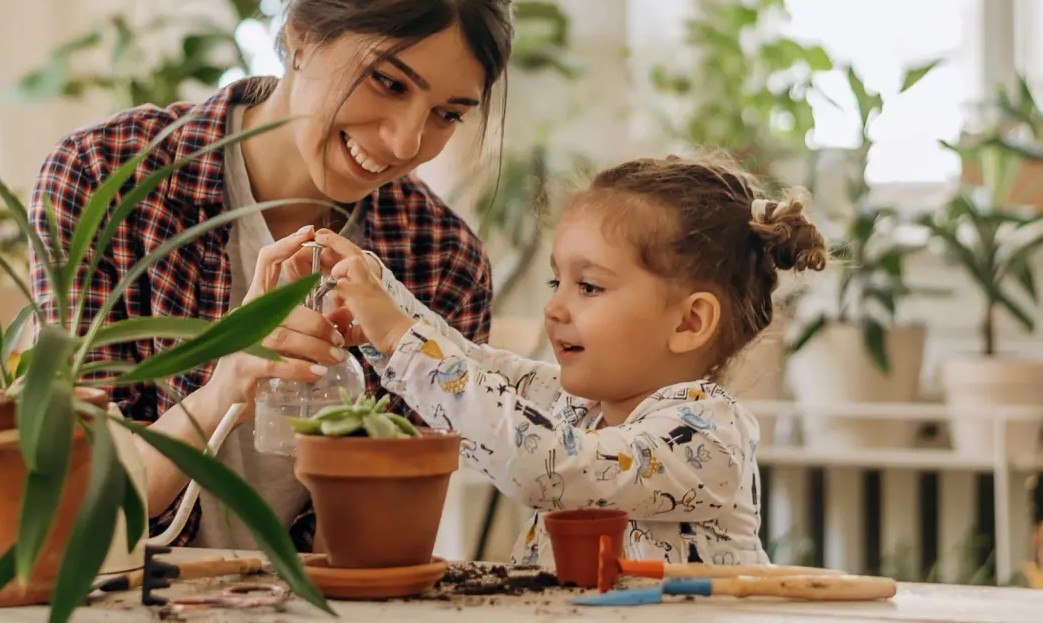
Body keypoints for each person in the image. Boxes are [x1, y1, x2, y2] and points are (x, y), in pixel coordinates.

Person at [27, 0, 513, 551]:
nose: (405, 143)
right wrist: (224, 382)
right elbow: (62, 513)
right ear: (303, 35)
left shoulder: (440, 260)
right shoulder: (106, 180)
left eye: (447, 114)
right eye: (389, 84)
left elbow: (382, 552)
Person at [315, 155, 830, 568]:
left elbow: (543, 464)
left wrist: (401, 338)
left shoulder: (708, 432)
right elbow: (475, 365)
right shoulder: (579, 407)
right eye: (555, 281)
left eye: (589, 286)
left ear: (689, 323)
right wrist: (374, 296)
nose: (555, 306)